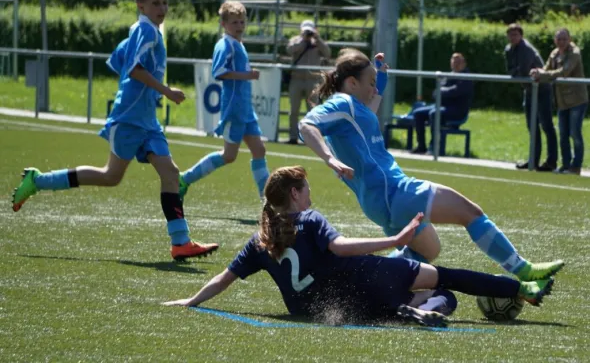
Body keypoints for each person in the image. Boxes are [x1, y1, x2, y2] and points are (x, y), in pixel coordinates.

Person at [163, 166, 554, 327]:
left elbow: (223, 279)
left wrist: (189, 300)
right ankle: (522, 290)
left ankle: (406, 311)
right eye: (307, 189)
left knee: (394, 304)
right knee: (447, 283)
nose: (310, 194)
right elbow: (343, 246)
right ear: (296, 194)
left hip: (327, 310)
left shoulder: (259, 239)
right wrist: (395, 241)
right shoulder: (310, 220)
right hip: (364, 281)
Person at [298, 48, 564, 282]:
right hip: (395, 191)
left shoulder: (356, 108)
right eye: (370, 82)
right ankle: (523, 269)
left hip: (380, 202)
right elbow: (306, 125)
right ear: (352, 83)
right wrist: (329, 158)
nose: (374, 88)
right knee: (470, 212)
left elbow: (373, 101)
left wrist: (379, 73)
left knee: (429, 250)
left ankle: (365, 281)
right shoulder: (343, 102)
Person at [10, 0, 219, 261]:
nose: (162, 8)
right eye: (155, 3)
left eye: (165, 2)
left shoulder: (145, 30)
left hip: (147, 121)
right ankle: (39, 180)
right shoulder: (145, 31)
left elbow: (119, 60)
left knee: (170, 173)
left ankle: (180, 242)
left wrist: (147, 93)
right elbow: (132, 68)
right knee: (111, 176)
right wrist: (165, 91)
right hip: (130, 119)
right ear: (140, 5)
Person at [179, 0, 269, 200]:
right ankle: (184, 179)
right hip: (234, 108)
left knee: (259, 149)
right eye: (235, 22)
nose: (239, 27)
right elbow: (218, 71)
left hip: (245, 109)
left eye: (242, 22)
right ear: (223, 24)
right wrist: (247, 75)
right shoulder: (225, 44)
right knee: (229, 155)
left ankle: (267, 200)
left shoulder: (237, 43)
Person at [530, 28, 588, 175]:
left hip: (577, 99)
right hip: (561, 101)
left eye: (564, 39)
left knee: (575, 133)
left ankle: (576, 166)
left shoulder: (574, 52)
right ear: (555, 40)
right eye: (558, 39)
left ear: (569, 39)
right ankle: (565, 165)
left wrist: (543, 74)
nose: (561, 42)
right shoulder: (554, 53)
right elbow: (546, 69)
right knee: (562, 134)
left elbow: (564, 71)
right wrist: (536, 72)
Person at [504, 23, 558, 171]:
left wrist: (517, 72)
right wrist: (517, 72)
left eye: (515, 34)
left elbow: (524, 70)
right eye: (510, 34)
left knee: (547, 125)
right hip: (529, 90)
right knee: (532, 126)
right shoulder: (508, 50)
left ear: (521, 35)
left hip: (542, 89)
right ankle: (533, 161)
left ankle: (551, 161)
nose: (513, 37)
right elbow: (511, 69)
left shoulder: (526, 49)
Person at [411, 53, 474, 154]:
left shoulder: (466, 78)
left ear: (464, 63)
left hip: (457, 110)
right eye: (453, 62)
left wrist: (442, 91)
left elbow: (454, 92)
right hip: (441, 106)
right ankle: (421, 146)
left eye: (458, 62)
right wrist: (441, 91)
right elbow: (436, 92)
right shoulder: (448, 75)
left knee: (434, 113)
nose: (455, 64)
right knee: (418, 113)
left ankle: (434, 147)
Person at [285, 20, 331, 145]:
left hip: (313, 81)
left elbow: (327, 53)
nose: (308, 32)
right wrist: (303, 40)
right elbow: (290, 50)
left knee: (313, 111)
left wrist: (318, 39)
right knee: (294, 110)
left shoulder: (317, 42)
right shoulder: (296, 40)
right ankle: (293, 137)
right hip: (297, 79)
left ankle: (311, 138)